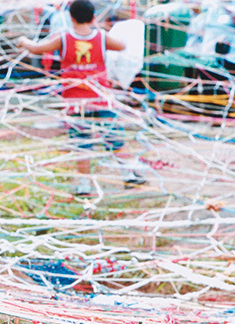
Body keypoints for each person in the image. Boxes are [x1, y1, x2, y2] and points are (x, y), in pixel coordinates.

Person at [17, 0, 143, 196]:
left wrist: (24, 41)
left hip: (75, 102)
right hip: (100, 99)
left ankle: (85, 184)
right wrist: (102, 30)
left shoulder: (64, 38)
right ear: (93, 17)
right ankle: (129, 175)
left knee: (82, 142)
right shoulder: (101, 37)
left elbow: (37, 48)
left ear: (71, 17)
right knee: (114, 137)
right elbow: (122, 45)